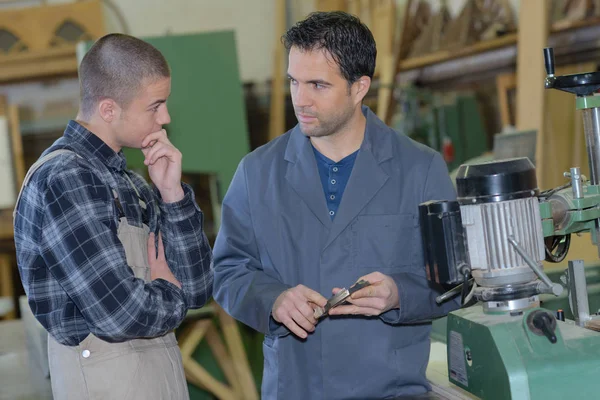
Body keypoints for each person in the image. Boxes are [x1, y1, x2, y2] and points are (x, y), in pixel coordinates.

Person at [212, 11, 460, 399]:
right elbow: (228, 271)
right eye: (294, 81)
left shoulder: (420, 169)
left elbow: (455, 281)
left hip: (390, 390)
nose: (300, 99)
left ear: (359, 87)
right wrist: (273, 299)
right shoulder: (257, 172)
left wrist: (398, 294)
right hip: (295, 388)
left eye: (318, 85)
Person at [13, 33, 213, 400]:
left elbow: (199, 288)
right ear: (108, 109)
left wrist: (172, 195)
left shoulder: (133, 183)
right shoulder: (65, 180)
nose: (166, 117)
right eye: (156, 106)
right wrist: (171, 293)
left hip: (160, 380)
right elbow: (117, 313)